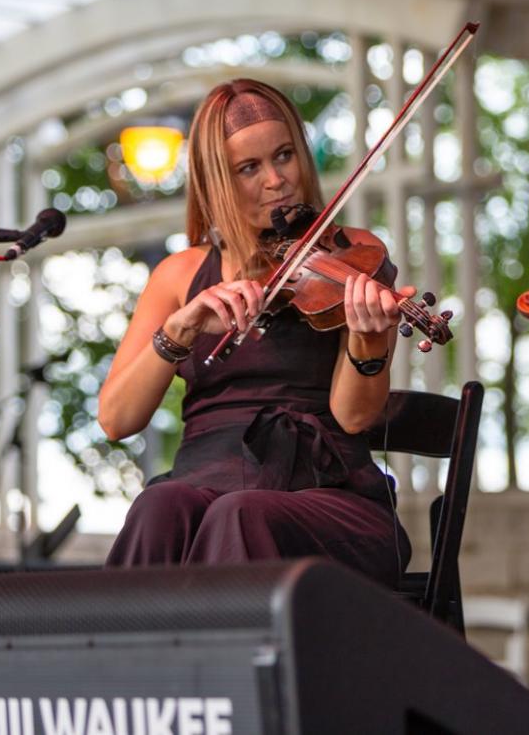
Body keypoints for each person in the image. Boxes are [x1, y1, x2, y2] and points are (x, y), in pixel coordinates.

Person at [98, 78, 414, 585]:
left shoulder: (351, 253)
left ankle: (232, 666)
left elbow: (354, 417)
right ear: (217, 181)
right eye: (249, 168)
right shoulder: (179, 276)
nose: (276, 180)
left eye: (284, 156)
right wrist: (180, 329)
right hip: (207, 481)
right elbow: (116, 419)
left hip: (328, 496)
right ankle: (124, 663)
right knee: (160, 505)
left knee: (239, 515)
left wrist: (370, 341)